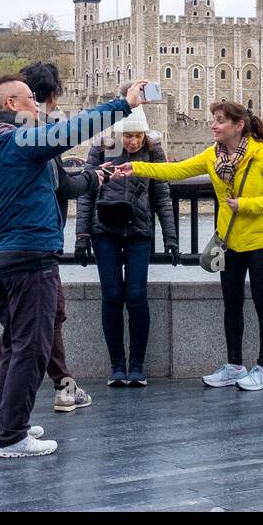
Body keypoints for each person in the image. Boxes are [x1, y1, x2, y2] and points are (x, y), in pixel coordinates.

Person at [0, 74, 145, 457]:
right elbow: (71, 131)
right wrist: (124, 105)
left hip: (4, 260)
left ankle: (1, 424)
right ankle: (13, 437)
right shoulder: (17, 140)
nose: (39, 106)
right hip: (32, 257)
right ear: (12, 105)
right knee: (32, 348)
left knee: (17, 345)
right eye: (32, 99)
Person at [116, 100, 263, 391]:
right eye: (214, 120)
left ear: (238, 125)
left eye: (220, 120)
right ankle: (235, 366)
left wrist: (245, 205)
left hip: (261, 241)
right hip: (228, 242)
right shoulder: (213, 156)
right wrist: (136, 167)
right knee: (231, 304)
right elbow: (177, 171)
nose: (214, 125)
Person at [0, 62, 98, 416]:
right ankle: (17, 412)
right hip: (34, 249)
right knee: (33, 335)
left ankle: (2, 410)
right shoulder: (30, 139)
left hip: (7, 252)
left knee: (35, 326)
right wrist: (95, 177)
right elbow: (66, 184)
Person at [74, 103, 179, 388]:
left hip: (138, 230)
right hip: (104, 230)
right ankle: (117, 366)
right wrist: (81, 236)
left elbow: (162, 195)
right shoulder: (100, 148)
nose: (133, 142)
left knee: (136, 296)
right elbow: (85, 194)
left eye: (138, 136)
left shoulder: (154, 151)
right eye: (128, 136)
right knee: (111, 297)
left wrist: (170, 237)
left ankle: (137, 366)